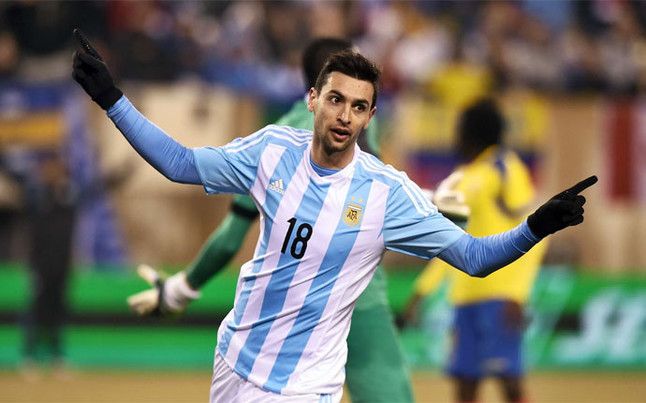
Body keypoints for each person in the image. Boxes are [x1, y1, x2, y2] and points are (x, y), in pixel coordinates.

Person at [71, 29, 596, 402]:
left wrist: (535, 226)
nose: (345, 115)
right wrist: (111, 98)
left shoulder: (386, 193)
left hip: (305, 385)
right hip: (235, 359)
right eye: (336, 100)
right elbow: (180, 163)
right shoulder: (272, 150)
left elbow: (475, 257)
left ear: (370, 117)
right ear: (313, 99)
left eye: (359, 106)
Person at [126, 37, 414, 403]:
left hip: (292, 317)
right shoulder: (358, 124)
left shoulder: (282, 140)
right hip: (363, 300)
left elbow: (232, 235)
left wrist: (181, 289)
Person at [403, 98, 548, 402]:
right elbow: (449, 245)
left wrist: (517, 294)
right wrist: (421, 293)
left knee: (511, 386)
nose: (454, 137)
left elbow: (536, 233)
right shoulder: (462, 179)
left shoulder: (504, 168)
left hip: (500, 299)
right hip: (464, 299)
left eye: (459, 129)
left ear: (472, 134)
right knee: (465, 388)